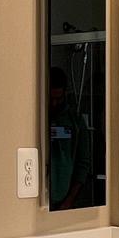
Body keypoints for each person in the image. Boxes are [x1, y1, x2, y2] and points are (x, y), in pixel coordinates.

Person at [47, 67, 91, 210]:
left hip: (64, 195)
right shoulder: (36, 118)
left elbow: (83, 162)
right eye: (50, 99)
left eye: (58, 99)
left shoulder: (75, 122)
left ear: (65, 93)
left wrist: (69, 200)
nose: (54, 104)